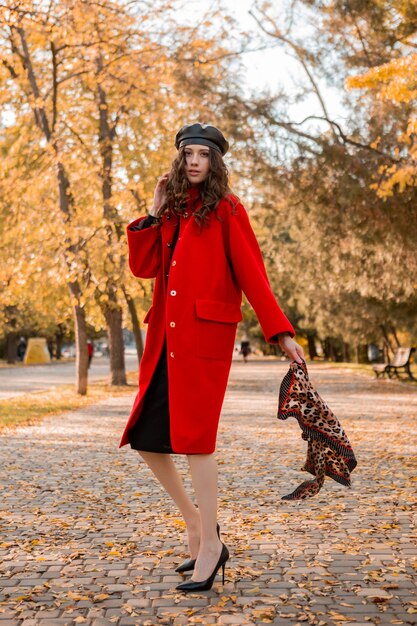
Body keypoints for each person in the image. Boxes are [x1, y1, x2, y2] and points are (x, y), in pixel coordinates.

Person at [119, 122, 305, 592]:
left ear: (215, 161)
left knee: (197, 441)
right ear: (179, 161)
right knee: (146, 437)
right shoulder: (175, 212)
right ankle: (201, 529)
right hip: (165, 339)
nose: (194, 161)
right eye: (187, 154)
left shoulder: (227, 210)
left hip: (204, 340)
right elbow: (144, 268)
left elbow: (252, 274)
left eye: (203, 154)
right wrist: (155, 211)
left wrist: (280, 331)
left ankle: (208, 547)